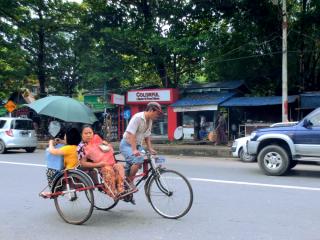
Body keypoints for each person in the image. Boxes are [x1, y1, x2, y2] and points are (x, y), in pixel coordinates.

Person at [120, 102, 163, 197]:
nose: (158, 116)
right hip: (127, 145)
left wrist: (150, 148)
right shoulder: (138, 117)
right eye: (157, 113)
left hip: (138, 145)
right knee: (138, 159)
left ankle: (126, 182)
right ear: (151, 110)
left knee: (149, 158)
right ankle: (129, 181)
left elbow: (147, 136)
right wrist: (134, 150)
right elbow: (131, 133)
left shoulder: (149, 120)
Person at [77, 125, 125, 199]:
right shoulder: (81, 147)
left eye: (90, 133)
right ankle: (112, 192)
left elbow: (109, 152)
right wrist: (98, 164)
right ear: (81, 135)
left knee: (119, 166)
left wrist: (107, 145)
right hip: (95, 168)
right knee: (108, 169)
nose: (88, 135)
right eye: (86, 133)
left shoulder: (98, 141)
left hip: (108, 163)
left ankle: (121, 189)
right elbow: (83, 163)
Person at [40, 127, 81, 198]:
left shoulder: (68, 148)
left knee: (50, 172)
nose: (64, 137)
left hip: (69, 171)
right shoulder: (77, 147)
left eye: (65, 136)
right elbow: (69, 142)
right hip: (77, 170)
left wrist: (50, 143)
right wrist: (61, 141)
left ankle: (53, 191)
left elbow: (53, 151)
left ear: (69, 137)